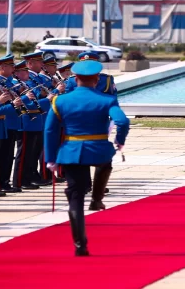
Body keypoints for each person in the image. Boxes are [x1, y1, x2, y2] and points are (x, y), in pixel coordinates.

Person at [44, 59, 129, 256]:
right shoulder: (106, 100)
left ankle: (80, 245)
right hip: (99, 148)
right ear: (97, 79)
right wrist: (120, 140)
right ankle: (97, 198)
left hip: (71, 151)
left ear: (75, 78)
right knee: (105, 163)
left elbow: (50, 131)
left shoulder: (60, 100)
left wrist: (51, 159)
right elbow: (122, 121)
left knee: (75, 197)